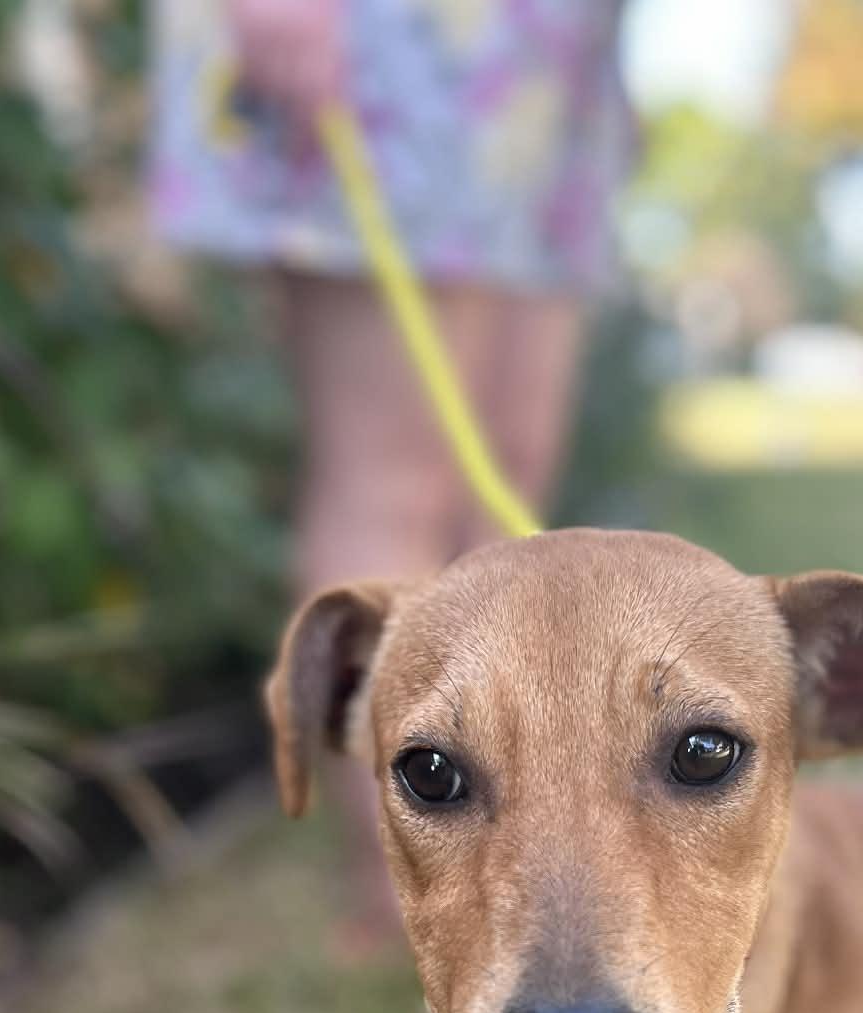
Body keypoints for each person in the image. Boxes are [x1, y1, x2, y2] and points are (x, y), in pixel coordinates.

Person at [149, 0, 633, 950]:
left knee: (509, 478)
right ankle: (409, 890)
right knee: (393, 487)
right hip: (390, 36)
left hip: (542, 54)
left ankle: (507, 849)